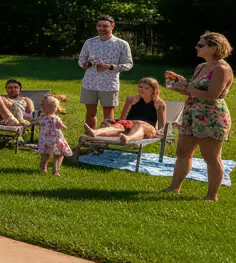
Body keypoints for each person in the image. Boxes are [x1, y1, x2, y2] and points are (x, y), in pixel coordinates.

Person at [163, 32, 232, 201]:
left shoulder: (222, 69)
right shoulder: (201, 67)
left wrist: (187, 87)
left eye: (201, 45)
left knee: (211, 157)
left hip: (211, 117)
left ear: (214, 48)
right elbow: (191, 90)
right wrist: (175, 85)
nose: (196, 47)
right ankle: (174, 188)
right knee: (182, 152)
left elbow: (212, 95)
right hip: (191, 113)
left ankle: (211, 196)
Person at [77, 15, 134, 128]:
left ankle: (106, 140)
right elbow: (81, 60)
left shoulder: (121, 44)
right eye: (99, 26)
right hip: (90, 82)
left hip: (109, 84)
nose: (101, 28)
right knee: (90, 113)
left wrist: (111, 66)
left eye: (105, 26)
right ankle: (89, 139)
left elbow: (128, 64)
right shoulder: (90, 42)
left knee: (108, 115)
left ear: (112, 26)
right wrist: (86, 64)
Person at [84, 78, 168, 143]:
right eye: (140, 87)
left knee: (140, 124)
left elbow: (162, 128)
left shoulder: (159, 104)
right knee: (118, 125)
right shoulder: (132, 99)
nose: (141, 89)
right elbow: (122, 119)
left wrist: (158, 134)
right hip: (130, 126)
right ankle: (95, 133)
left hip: (148, 130)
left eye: (146, 88)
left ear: (153, 90)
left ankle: (128, 138)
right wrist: (129, 104)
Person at [34, 94, 73, 175]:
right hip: (56, 140)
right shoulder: (55, 117)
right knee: (59, 154)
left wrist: (33, 122)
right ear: (55, 109)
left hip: (46, 140)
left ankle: (43, 168)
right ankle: (56, 171)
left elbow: (38, 122)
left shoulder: (43, 118)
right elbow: (60, 125)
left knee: (46, 154)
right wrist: (63, 127)